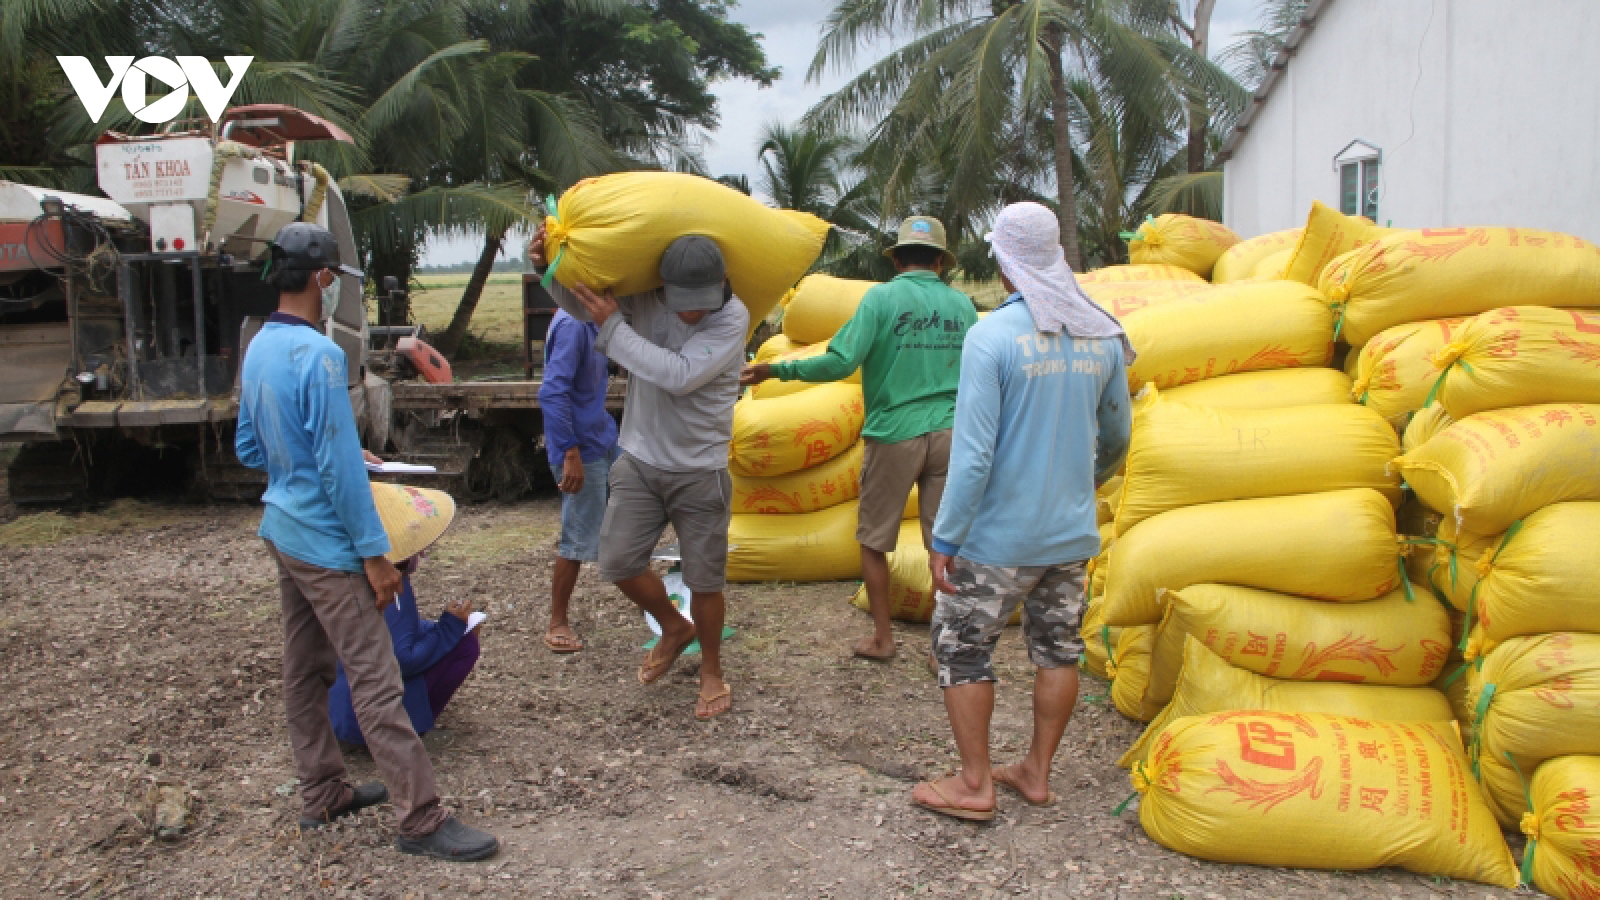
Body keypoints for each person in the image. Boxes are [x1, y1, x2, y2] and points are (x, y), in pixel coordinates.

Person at [236, 223, 499, 860]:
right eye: (333, 278)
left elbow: (251, 448)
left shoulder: (258, 347)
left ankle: (323, 791)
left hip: (283, 531)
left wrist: (320, 453)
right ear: (324, 279)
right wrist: (377, 555)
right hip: (329, 545)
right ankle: (421, 819)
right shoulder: (322, 358)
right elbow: (338, 476)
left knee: (304, 670)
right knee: (376, 678)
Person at [912, 202, 1133, 821]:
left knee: (962, 647)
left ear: (1003, 261)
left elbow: (974, 453)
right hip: (1069, 535)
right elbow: (1116, 438)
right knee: (1058, 648)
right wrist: (1073, 484)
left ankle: (975, 783)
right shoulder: (1102, 333)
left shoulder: (990, 338)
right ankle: (1034, 772)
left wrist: (945, 538)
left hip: (996, 541)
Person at [528, 225, 747, 720]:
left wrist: (615, 329)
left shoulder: (732, 318)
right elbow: (587, 309)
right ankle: (673, 625)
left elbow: (678, 374)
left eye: (700, 300)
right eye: (680, 300)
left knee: (705, 580)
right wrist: (547, 271)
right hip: (640, 457)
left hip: (701, 467)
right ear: (663, 287)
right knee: (617, 560)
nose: (690, 310)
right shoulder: (646, 299)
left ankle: (711, 670)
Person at [741, 216, 977, 661]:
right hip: (951, 433)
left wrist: (777, 368)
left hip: (895, 435)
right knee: (944, 543)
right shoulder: (962, 307)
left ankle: (883, 639)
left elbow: (840, 362)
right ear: (941, 262)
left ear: (896, 258)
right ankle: (943, 647)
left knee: (873, 539)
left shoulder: (881, 299)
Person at [329, 484, 480, 744]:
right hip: (372, 720)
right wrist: (450, 628)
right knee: (467, 645)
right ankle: (414, 723)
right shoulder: (391, 585)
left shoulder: (340, 574)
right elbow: (403, 659)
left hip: (338, 709)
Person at [537, 306, 620, 653]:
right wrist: (570, 452)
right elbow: (552, 392)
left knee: (636, 510)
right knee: (577, 537)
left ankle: (662, 606)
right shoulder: (573, 325)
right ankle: (558, 622)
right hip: (580, 447)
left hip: (601, 437)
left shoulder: (591, 322)